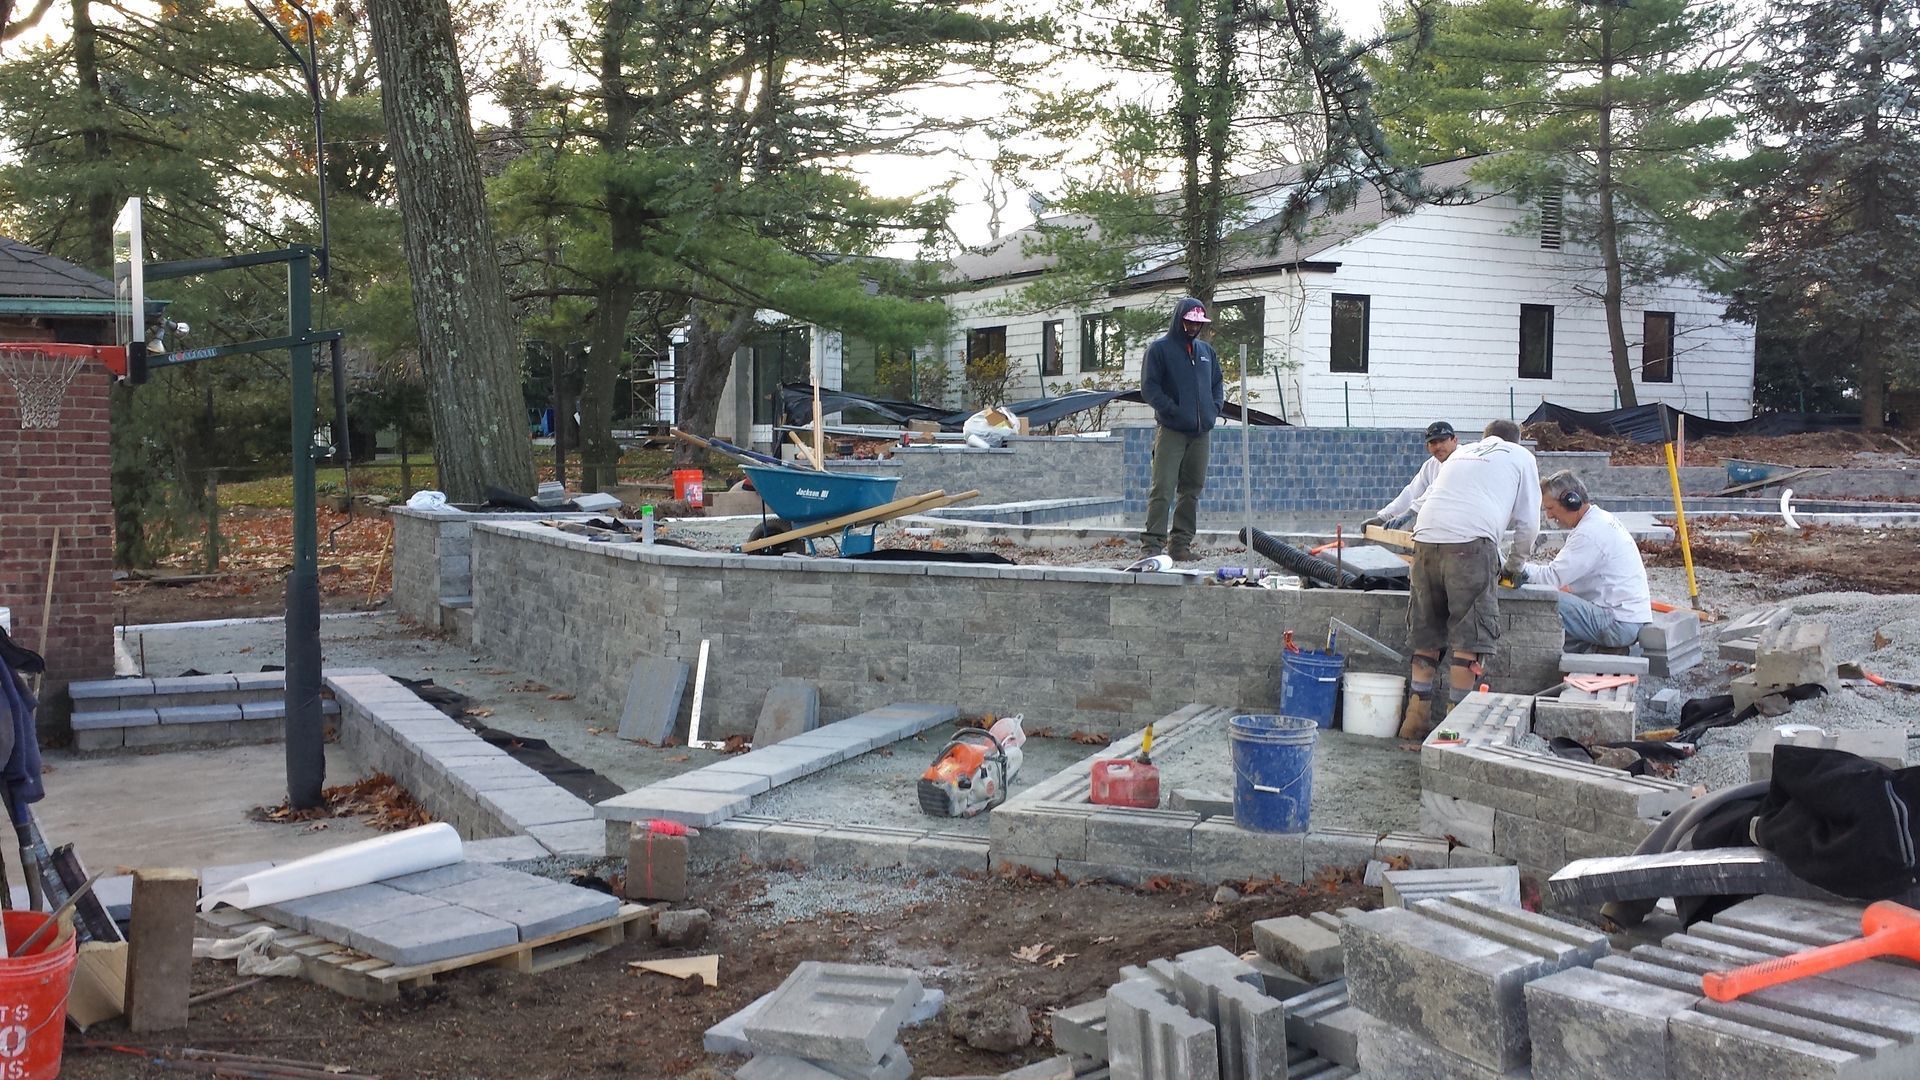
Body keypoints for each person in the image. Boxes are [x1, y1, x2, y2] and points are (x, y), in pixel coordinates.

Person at [1399, 419, 1542, 739]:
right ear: (1517, 441)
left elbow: (1424, 501)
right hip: (1470, 545)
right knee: (1470, 637)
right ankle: (1453, 728)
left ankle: (1414, 722)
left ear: (1483, 438)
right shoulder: (1521, 456)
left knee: (1426, 634)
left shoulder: (1461, 454)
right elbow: (1529, 525)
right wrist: (1514, 567)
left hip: (1425, 541)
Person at [1512, 470, 1652, 653]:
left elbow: (1551, 579)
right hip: (1627, 618)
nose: (1549, 516)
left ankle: (1606, 650)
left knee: (1545, 600)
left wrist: (1514, 567)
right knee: (1558, 632)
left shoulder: (1589, 533)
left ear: (1571, 501)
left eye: (1550, 508)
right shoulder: (1600, 520)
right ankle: (1598, 653)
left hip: (1618, 623)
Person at [1139, 297, 1224, 561]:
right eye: (1189, 322)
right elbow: (1149, 388)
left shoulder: (1206, 352)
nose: (1194, 327)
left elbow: (1217, 383)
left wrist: (1214, 408)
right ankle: (1152, 546)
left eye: (1198, 323)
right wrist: (1172, 410)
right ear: (1179, 320)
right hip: (1172, 430)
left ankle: (1180, 545)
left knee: (1192, 489)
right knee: (1163, 488)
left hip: (1201, 432)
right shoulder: (1159, 350)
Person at [1364, 421, 1459, 529]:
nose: (1438, 446)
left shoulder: (1461, 460)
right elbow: (1411, 492)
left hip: (1464, 529)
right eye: (1433, 443)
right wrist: (1383, 517)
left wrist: (1411, 512)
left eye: (1442, 441)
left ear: (1454, 440)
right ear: (1427, 447)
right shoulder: (1431, 465)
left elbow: (1436, 490)